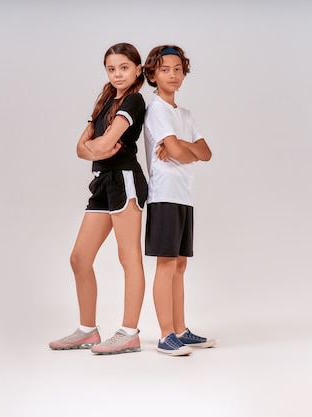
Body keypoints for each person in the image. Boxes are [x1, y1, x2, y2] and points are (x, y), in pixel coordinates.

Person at [49, 43, 148, 355]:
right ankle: (88, 330)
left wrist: (96, 146)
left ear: (137, 69)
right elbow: (83, 147)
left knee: (128, 256)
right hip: (102, 182)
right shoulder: (106, 101)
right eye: (111, 68)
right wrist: (96, 147)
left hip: (125, 180)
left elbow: (101, 144)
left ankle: (129, 332)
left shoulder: (134, 101)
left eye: (123, 67)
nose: (117, 74)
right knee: (79, 258)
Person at [143, 45, 215, 356]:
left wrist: (182, 145)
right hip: (164, 196)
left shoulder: (184, 115)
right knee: (167, 263)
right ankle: (164, 335)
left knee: (180, 265)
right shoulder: (156, 109)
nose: (172, 74)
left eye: (177, 69)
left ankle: (181, 330)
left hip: (185, 197)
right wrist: (183, 150)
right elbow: (174, 151)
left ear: (184, 73)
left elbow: (206, 153)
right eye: (164, 70)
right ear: (152, 75)